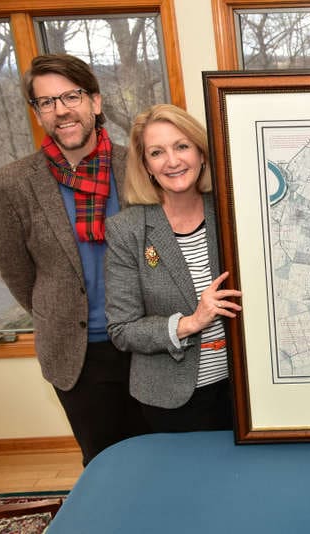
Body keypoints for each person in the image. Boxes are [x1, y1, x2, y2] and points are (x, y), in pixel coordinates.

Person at [0, 54, 148, 465]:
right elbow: (17, 274)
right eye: (46, 102)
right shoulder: (13, 183)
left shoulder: (140, 165)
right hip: (77, 356)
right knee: (103, 465)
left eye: (70, 96)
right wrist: (59, 309)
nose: (61, 110)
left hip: (148, 344)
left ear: (95, 102)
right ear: (37, 112)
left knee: (160, 457)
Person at [104, 104, 242, 432]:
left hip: (244, 389)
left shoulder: (234, 210)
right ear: (147, 166)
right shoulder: (127, 230)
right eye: (157, 152)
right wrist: (192, 322)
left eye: (182, 146)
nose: (173, 161)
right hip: (171, 399)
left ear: (202, 153)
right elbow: (122, 329)